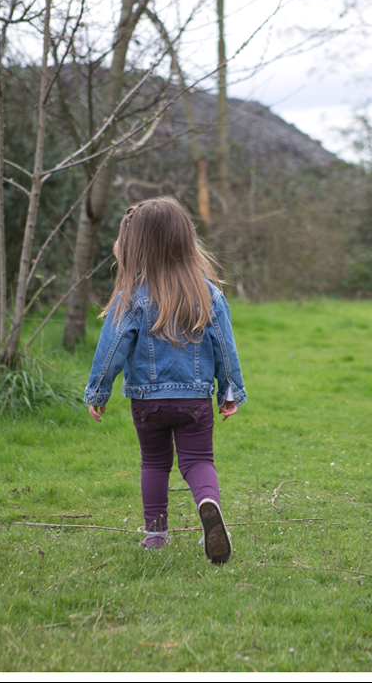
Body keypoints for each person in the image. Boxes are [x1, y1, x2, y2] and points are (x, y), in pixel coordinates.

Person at [84, 196, 246, 565]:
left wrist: (99, 390)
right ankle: (208, 503)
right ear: (185, 240)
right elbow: (225, 346)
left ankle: (155, 535)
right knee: (198, 459)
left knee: (154, 464)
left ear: (136, 247)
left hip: (147, 403)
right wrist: (230, 390)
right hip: (194, 401)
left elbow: (111, 349)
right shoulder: (209, 293)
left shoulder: (132, 297)